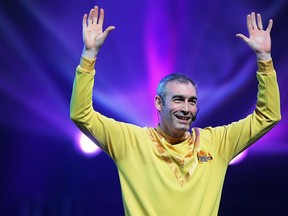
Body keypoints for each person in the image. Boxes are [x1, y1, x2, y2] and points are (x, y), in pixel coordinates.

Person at [70, 6, 281, 216]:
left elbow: (269, 115)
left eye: (192, 101)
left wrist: (265, 59)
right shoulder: (130, 141)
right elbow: (81, 114)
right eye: (178, 100)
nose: (186, 109)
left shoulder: (217, 144)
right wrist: (89, 55)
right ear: (159, 103)